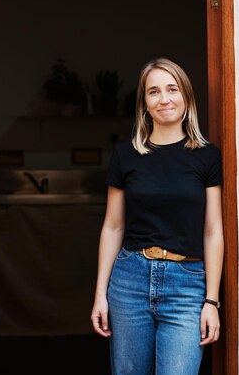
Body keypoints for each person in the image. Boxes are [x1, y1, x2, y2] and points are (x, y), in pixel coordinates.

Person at [90, 57, 224, 375]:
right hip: (129, 282)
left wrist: (212, 301)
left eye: (172, 89)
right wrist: (100, 295)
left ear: (186, 97)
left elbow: (213, 231)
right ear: (144, 104)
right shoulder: (126, 155)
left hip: (187, 286)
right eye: (154, 92)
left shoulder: (206, 156)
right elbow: (113, 226)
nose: (164, 99)